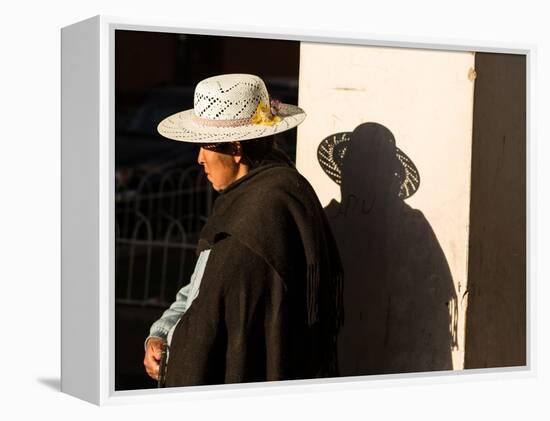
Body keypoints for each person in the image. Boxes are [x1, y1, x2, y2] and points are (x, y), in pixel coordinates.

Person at [143, 74, 343, 387]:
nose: (199, 159)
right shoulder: (255, 193)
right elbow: (199, 287)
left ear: (236, 149)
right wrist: (159, 334)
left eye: (204, 147)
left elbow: (211, 316)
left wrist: (171, 352)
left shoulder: (262, 212)